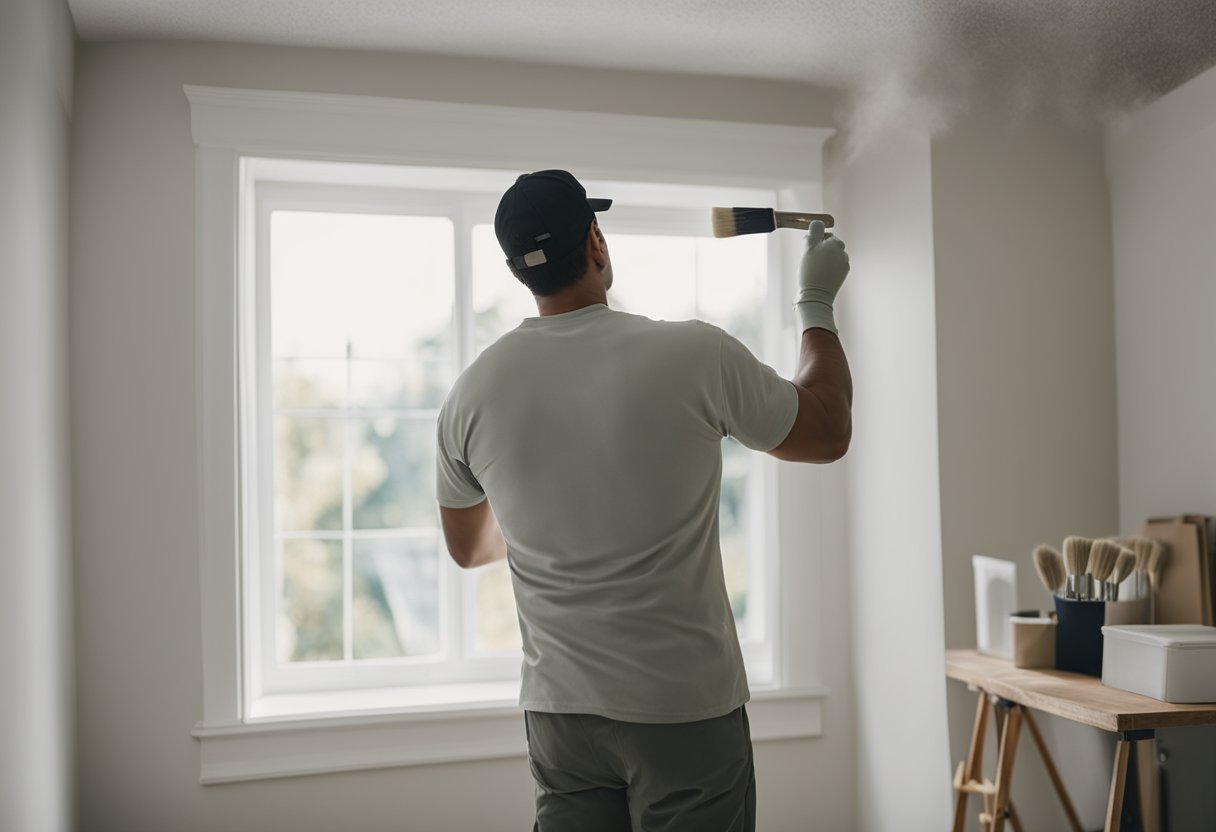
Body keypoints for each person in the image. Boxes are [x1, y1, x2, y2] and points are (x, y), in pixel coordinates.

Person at [435, 169, 852, 831]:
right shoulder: (693, 354)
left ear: (518, 271)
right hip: (682, 711)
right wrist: (815, 304)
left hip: (561, 717)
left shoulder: (471, 393)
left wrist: (552, 512)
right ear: (596, 242)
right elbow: (827, 430)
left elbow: (469, 547)